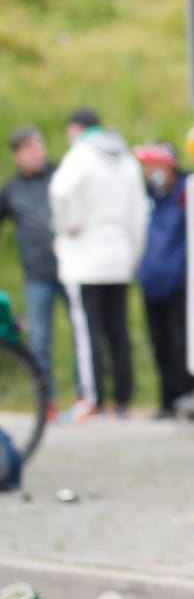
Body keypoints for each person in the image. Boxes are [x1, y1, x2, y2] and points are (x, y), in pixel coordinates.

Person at [49, 107, 149, 421]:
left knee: (87, 332)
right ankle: (123, 400)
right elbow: (140, 213)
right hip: (119, 256)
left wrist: (68, 225)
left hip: (84, 258)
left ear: (77, 129)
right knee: (118, 330)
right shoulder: (128, 161)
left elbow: (59, 190)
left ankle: (92, 399)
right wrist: (133, 253)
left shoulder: (80, 155)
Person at [1, 127, 64, 411]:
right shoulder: (12, 190)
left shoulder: (62, 176)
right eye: (28, 148)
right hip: (37, 273)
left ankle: (92, 399)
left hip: (72, 268)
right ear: (17, 155)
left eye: (38, 145)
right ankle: (45, 401)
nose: (36, 152)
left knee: (86, 335)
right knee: (39, 339)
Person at [133, 142, 194, 417]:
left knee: (180, 342)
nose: (148, 171)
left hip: (179, 281)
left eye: (152, 164)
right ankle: (166, 401)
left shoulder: (187, 193)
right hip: (152, 279)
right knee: (159, 345)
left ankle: (185, 396)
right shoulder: (147, 196)